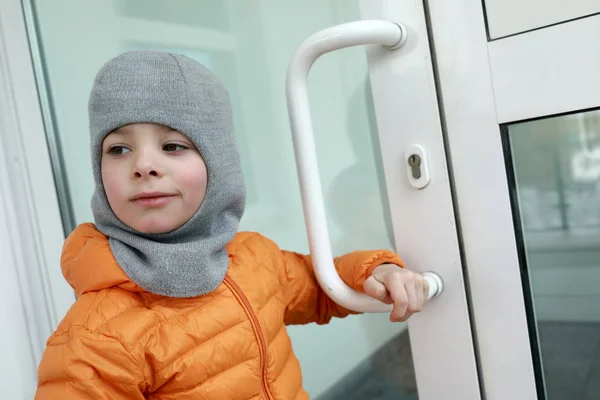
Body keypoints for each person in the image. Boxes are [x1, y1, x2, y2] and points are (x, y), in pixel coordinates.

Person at [34, 51, 430, 400]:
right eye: (118, 149)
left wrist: (375, 270)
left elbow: (319, 284)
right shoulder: (95, 337)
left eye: (173, 146)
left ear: (220, 164)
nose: (143, 166)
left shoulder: (252, 258)